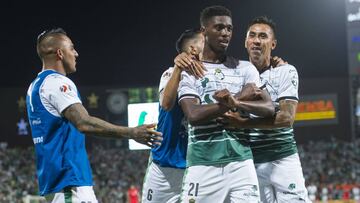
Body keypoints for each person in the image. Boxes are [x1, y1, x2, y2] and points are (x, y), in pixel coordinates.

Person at [26, 28, 162, 203]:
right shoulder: (57, 82)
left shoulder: (35, 86)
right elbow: (84, 123)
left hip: (60, 182)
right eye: (72, 48)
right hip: (68, 181)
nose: (76, 53)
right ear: (60, 53)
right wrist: (132, 132)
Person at [178, 6, 275, 203]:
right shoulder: (190, 71)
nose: (225, 33)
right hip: (203, 164)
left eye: (229, 29)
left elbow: (268, 107)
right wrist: (236, 100)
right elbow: (193, 115)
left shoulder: (245, 68)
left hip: (242, 164)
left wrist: (235, 101)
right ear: (204, 31)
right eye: (219, 28)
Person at [215, 16, 311, 202]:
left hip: (283, 158)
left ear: (273, 44)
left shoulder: (285, 71)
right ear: (245, 42)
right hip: (251, 163)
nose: (257, 40)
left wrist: (244, 123)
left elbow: (286, 119)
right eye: (252, 35)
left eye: (263, 36)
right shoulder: (235, 74)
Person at [142, 29, 205, 203]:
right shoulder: (170, 73)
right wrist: (179, 68)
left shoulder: (211, 77)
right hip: (163, 168)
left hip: (195, 167)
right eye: (204, 40)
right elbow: (166, 104)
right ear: (193, 49)